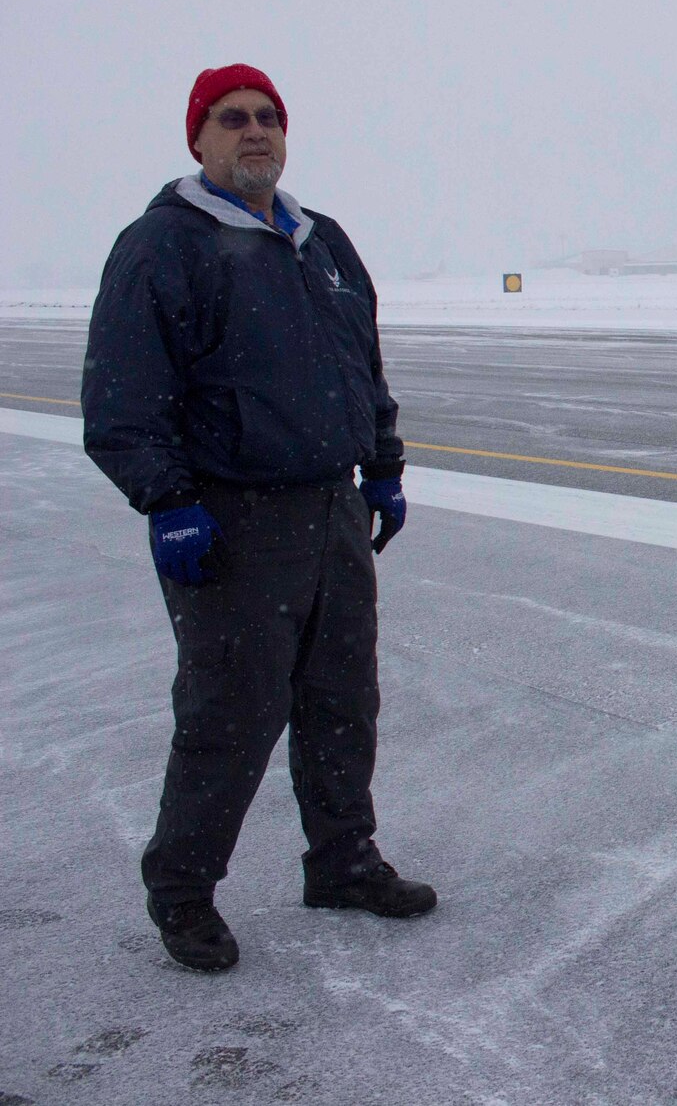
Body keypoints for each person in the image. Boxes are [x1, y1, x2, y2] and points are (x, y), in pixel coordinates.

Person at [82, 64, 434, 973]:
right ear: (197, 139)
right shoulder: (164, 246)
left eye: (268, 117)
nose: (254, 132)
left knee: (341, 699)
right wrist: (168, 501)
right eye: (232, 119)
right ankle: (184, 891)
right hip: (231, 520)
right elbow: (122, 395)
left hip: (332, 506)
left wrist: (383, 465)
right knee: (230, 712)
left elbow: (363, 362)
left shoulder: (323, 242)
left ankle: (344, 861)